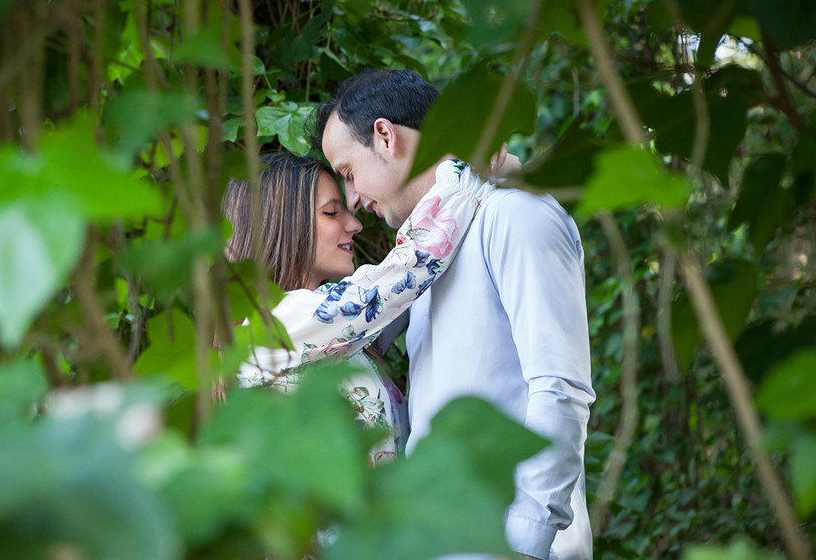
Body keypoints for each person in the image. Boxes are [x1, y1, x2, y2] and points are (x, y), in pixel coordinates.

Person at [314, 69, 595, 560]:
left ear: (385, 136)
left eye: (349, 172)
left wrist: (523, 542)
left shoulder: (514, 215)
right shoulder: (423, 260)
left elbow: (560, 390)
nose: (353, 198)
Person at [224, 150, 504, 464]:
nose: (355, 224)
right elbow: (407, 272)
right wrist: (464, 172)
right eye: (331, 213)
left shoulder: (328, 331)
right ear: (280, 225)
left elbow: (406, 299)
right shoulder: (276, 324)